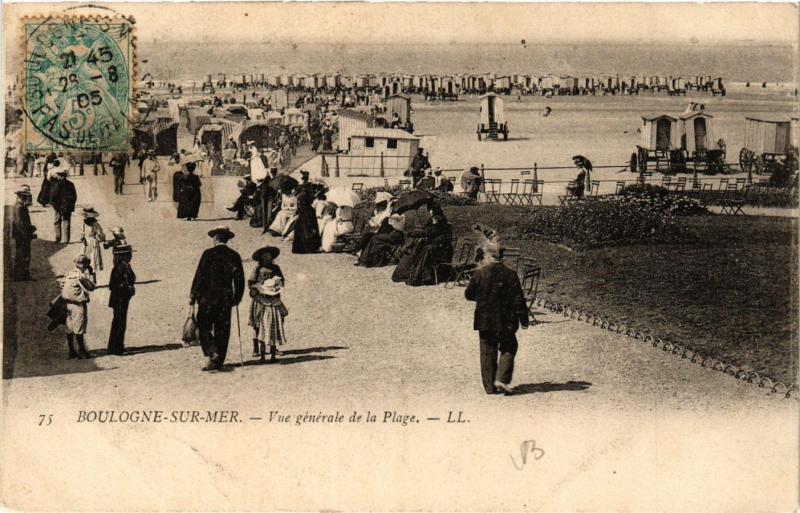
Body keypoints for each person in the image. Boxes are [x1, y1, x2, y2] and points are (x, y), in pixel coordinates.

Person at [464, 227, 529, 395]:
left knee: (487, 352)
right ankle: (502, 377)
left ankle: (489, 387)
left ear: (487, 255)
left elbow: (468, 295)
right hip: (507, 319)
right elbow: (518, 299)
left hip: (485, 320)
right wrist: (524, 319)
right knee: (509, 346)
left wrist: (482, 297)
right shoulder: (511, 274)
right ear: (502, 256)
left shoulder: (479, 274)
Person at [190, 226, 245, 372]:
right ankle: (219, 361)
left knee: (203, 326)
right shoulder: (234, 255)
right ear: (227, 239)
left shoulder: (208, 254)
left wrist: (193, 295)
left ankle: (212, 351)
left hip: (207, 298)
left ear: (215, 239)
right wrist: (237, 298)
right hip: (225, 298)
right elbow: (240, 280)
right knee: (223, 329)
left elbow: (199, 276)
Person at [391, 204, 454, 286]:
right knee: (417, 247)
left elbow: (429, 232)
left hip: (438, 249)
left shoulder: (438, 221)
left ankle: (414, 276)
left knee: (418, 249)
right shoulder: (439, 221)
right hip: (441, 247)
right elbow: (428, 230)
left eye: (430, 211)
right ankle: (410, 269)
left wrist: (412, 233)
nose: (429, 212)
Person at [248, 246, 287, 362]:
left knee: (274, 322)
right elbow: (251, 283)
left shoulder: (276, 268)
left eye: (269, 256)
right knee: (258, 323)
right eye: (265, 257)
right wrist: (258, 288)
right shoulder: (257, 269)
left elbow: (282, 281)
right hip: (260, 300)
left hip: (273, 297)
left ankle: (273, 348)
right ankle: (256, 348)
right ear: (261, 258)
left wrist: (277, 284)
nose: (267, 259)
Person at [60, 254, 96, 359]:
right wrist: (92, 273)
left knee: (69, 328)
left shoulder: (68, 273)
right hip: (78, 305)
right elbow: (92, 286)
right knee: (79, 328)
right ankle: (82, 351)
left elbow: (62, 285)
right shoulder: (81, 276)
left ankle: (71, 351)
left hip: (67, 304)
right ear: (85, 265)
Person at [107, 244, 136, 356]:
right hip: (119, 299)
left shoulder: (125, 265)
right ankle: (116, 348)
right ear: (123, 256)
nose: (131, 256)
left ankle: (116, 346)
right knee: (119, 322)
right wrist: (126, 287)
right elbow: (112, 285)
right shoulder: (119, 267)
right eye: (129, 254)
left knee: (119, 322)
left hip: (122, 299)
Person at [354, 191, 394, 256]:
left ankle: (358, 250)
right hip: (379, 230)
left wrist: (371, 221)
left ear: (381, 206)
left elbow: (376, 224)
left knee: (367, 235)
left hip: (380, 232)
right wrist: (373, 219)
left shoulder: (384, 214)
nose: (377, 207)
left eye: (378, 206)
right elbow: (376, 221)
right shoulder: (380, 213)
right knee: (366, 235)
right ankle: (360, 250)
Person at [292, 171, 322, 253]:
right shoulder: (308, 189)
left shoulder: (300, 191)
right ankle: (310, 247)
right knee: (309, 227)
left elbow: (298, 200)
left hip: (303, 211)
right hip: (308, 211)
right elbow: (310, 200)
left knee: (303, 227)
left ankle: (302, 248)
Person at [11, 185, 36, 281]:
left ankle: (22, 275)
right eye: (26, 196)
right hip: (22, 236)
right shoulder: (19, 207)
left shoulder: (20, 206)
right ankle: (20, 276)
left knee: (23, 255)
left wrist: (31, 228)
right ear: (22, 196)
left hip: (22, 235)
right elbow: (20, 224)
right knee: (23, 255)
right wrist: (29, 234)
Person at [48, 165, 77, 244]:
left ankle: (58, 238)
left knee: (57, 222)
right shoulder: (71, 184)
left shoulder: (57, 184)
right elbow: (74, 196)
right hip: (67, 206)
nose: (56, 176)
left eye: (57, 175)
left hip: (58, 206)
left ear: (61, 176)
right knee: (66, 221)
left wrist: (54, 205)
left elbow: (54, 196)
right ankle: (66, 240)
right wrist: (70, 205)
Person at [80, 206, 106, 281]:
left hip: (90, 243)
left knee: (90, 260)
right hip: (89, 243)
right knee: (89, 260)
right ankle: (90, 279)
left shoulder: (91, 224)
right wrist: (83, 238)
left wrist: (83, 238)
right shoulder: (89, 224)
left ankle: (91, 279)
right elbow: (100, 234)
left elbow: (100, 233)